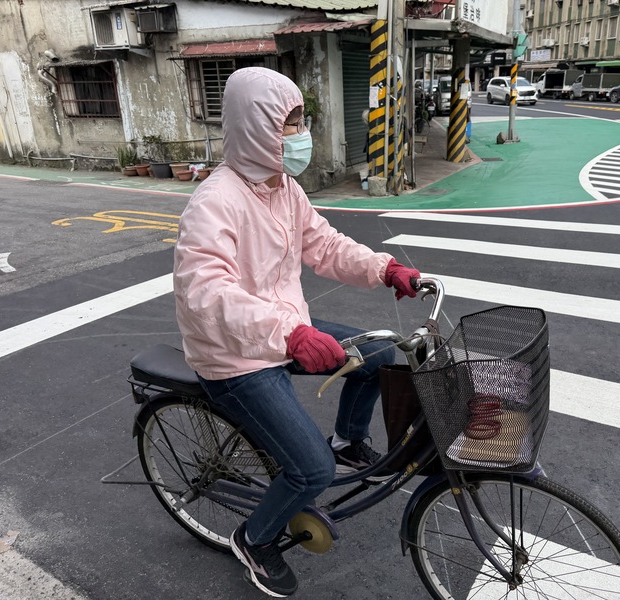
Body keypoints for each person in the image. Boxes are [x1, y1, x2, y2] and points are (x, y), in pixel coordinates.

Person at [173, 67, 421, 597]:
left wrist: (384, 269)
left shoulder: (284, 187)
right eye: (290, 122)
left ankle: (348, 439)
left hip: (287, 329)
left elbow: (325, 245)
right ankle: (254, 538)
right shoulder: (214, 202)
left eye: (301, 120)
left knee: (379, 353)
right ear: (255, 126)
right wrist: (288, 335)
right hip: (234, 355)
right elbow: (204, 295)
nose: (301, 132)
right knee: (311, 471)